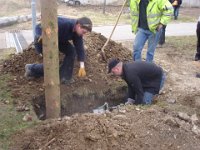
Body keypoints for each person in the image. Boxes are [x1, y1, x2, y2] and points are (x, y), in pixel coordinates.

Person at [25, 16, 92, 84]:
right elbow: (38, 27)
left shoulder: (78, 33)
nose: (83, 34)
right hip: (43, 42)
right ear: (78, 25)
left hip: (58, 41)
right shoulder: (63, 23)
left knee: (71, 52)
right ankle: (31, 69)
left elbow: (80, 48)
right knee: (53, 64)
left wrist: (82, 66)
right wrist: (42, 34)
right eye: (83, 32)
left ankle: (64, 77)